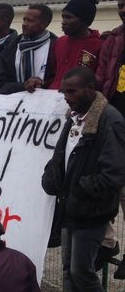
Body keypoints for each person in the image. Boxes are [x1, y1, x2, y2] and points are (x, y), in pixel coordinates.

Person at [42, 67, 125, 292]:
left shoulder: (110, 121)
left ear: (90, 89)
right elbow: (63, 154)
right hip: (71, 209)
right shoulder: (74, 118)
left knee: (82, 273)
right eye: (64, 93)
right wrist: (52, 176)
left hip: (91, 212)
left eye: (72, 92)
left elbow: (114, 174)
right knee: (69, 270)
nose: (67, 98)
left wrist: (80, 190)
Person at [92, 0, 125, 276]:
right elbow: (102, 76)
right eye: (120, 4)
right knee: (104, 182)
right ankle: (107, 241)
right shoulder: (113, 39)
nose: (123, 9)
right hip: (113, 121)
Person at [0, 4, 58, 94]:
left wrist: (41, 84)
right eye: (24, 19)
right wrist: (24, 86)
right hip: (15, 104)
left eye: (30, 21)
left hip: (45, 103)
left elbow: (58, 81)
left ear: (44, 24)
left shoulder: (56, 47)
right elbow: (0, 85)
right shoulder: (11, 47)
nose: (24, 24)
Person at [48, 0, 103, 90]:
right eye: (63, 17)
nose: (63, 22)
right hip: (53, 98)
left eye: (69, 17)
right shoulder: (59, 42)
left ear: (85, 21)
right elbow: (52, 74)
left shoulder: (100, 45)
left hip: (80, 102)